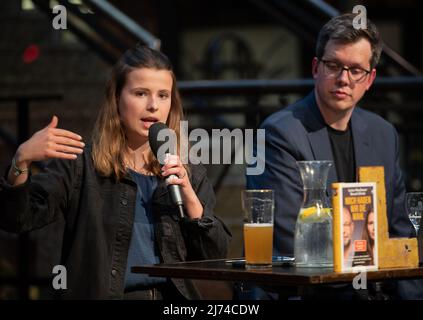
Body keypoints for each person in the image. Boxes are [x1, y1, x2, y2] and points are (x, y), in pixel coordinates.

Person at [0, 44, 231, 300]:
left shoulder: (187, 171)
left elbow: (214, 256)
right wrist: (21, 160)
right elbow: (17, 219)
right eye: (141, 93)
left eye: (163, 95)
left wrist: (188, 195)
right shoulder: (81, 164)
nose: (153, 105)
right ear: (117, 99)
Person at [247, 13, 421, 299]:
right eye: (334, 65)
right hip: (308, 292)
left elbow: (401, 233)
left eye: (356, 70)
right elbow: (293, 241)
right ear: (316, 67)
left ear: (370, 79)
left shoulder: (384, 135)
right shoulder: (279, 134)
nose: (343, 79)